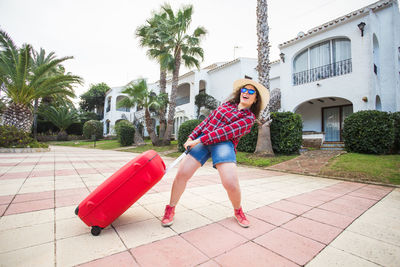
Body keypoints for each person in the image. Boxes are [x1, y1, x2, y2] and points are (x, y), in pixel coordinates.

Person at [161, 78, 269, 228]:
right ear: (240, 93)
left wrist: (198, 140)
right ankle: (170, 209)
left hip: (223, 143)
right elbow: (206, 122)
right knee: (182, 174)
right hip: (202, 140)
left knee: (230, 183)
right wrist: (191, 137)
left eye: (251, 92)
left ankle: (238, 210)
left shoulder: (249, 118)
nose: (247, 93)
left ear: (255, 99)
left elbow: (225, 132)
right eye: (244, 90)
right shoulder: (226, 105)